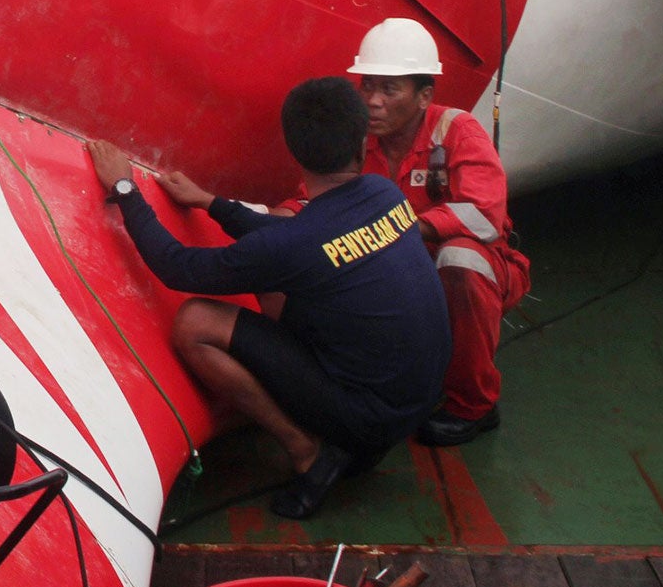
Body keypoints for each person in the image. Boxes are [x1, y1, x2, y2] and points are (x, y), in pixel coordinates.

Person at [89, 78, 450, 519]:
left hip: (369, 421)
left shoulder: (298, 241)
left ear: (294, 151)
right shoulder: (386, 194)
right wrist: (212, 204)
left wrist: (125, 189)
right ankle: (322, 425)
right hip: (419, 399)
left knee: (196, 322)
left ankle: (308, 452)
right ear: (361, 142)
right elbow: (297, 241)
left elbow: (176, 267)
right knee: (273, 282)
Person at [350, 18, 531, 447]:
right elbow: (313, 199)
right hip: (395, 268)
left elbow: (484, 216)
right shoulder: (356, 141)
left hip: (468, 270)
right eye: (367, 86)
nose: (373, 102)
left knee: (461, 260)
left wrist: (406, 228)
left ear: (424, 95)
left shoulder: (458, 131)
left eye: (389, 89)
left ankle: (474, 405)